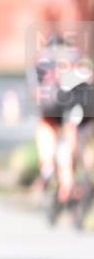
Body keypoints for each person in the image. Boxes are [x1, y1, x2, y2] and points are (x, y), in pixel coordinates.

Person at [30, 30, 94, 205]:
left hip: (53, 98)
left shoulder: (44, 57)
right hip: (82, 101)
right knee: (77, 132)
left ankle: (49, 167)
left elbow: (36, 88)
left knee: (47, 125)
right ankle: (77, 177)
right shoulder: (76, 56)